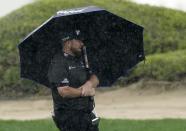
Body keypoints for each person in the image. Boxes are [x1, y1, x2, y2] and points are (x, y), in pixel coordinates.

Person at [47, 30, 100, 131]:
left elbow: (95, 77)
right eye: (79, 41)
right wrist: (83, 92)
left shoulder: (82, 58)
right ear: (68, 42)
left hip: (87, 113)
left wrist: (89, 84)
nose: (82, 43)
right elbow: (64, 91)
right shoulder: (58, 62)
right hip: (69, 116)